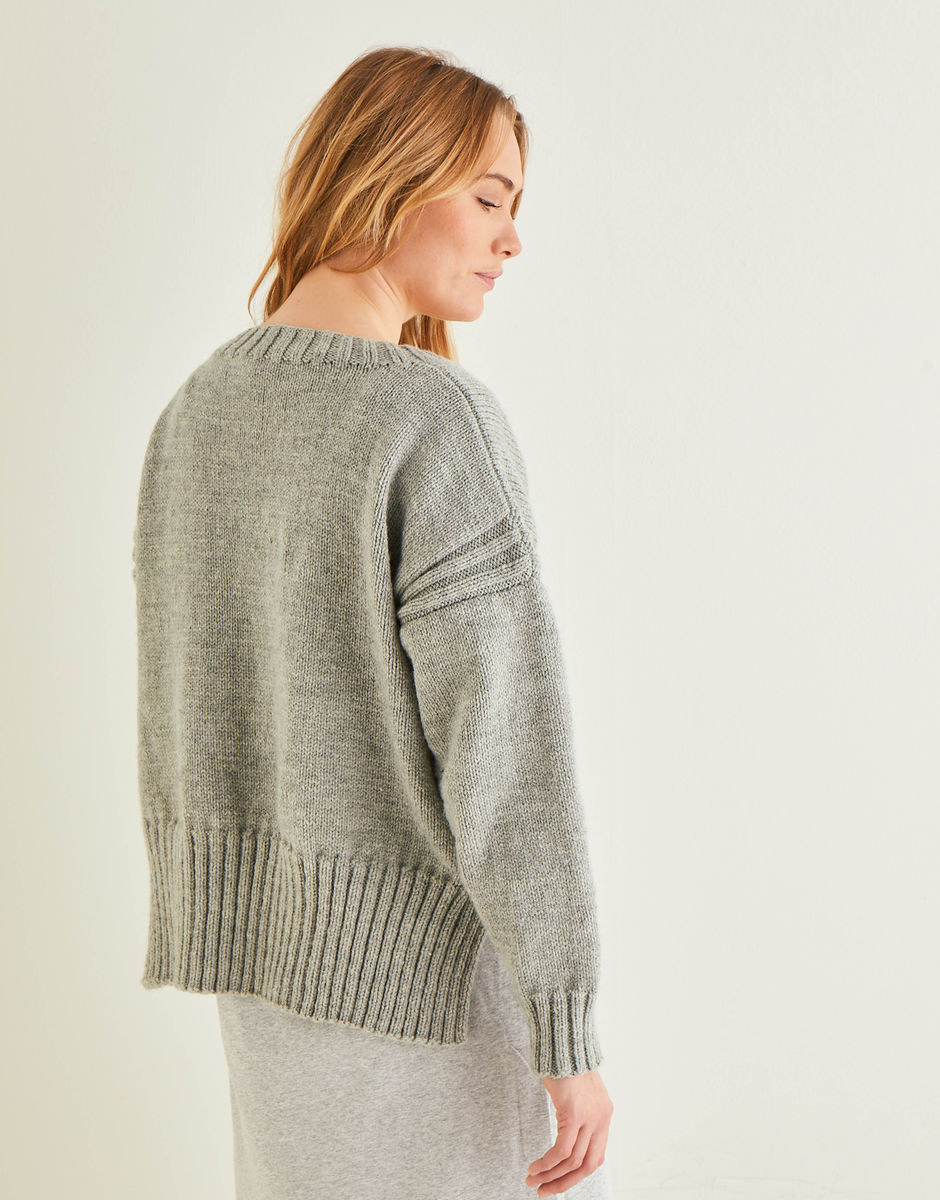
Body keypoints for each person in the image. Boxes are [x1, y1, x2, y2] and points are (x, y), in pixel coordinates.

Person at [133, 44, 614, 1198]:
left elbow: (177, 709)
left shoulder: (196, 411)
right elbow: (505, 750)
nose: (511, 238)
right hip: (430, 992)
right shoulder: (432, 418)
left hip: (264, 983)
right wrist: (566, 1028)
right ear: (390, 174)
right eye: (489, 198)